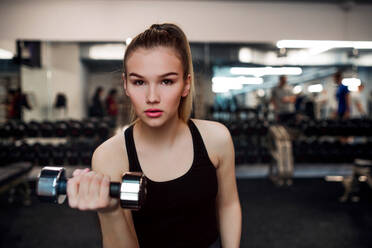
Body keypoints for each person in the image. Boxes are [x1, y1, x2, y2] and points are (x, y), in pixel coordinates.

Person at [67, 23, 242, 248]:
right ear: (126, 85)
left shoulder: (216, 138)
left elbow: (228, 205)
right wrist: (110, 212)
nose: (151, 97)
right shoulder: (109, 156)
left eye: (166, 81)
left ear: (186, 85)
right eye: (139, 82)